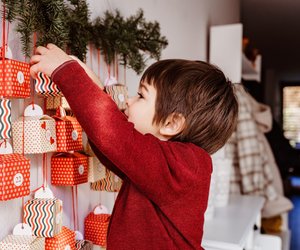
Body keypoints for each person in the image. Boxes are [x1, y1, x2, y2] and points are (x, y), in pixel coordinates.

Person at [30, 44, 238, 249]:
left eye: (141, 95)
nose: (129, 101)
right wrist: (93, 88)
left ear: (171, 124)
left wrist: (65, 71)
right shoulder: (160, 166)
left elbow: (114, 136)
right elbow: (113, 149)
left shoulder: (186, 165)